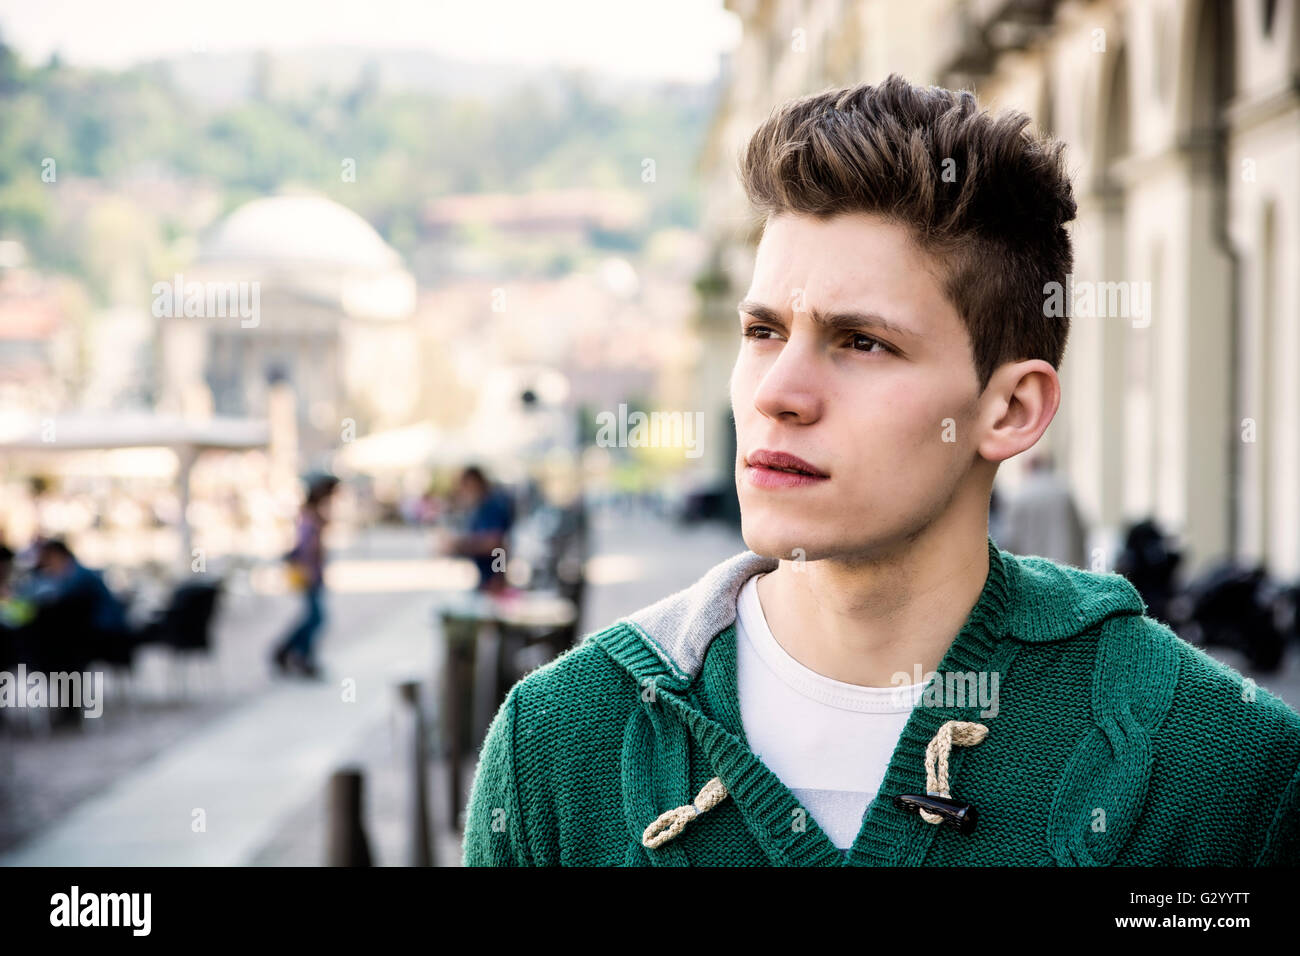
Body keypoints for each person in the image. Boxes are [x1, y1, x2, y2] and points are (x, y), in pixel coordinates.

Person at [462, 75, 1300, 866]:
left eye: (862, 342)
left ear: (1008, 411)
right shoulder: (556, 745)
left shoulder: (1228, 772)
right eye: (762, 332)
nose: (779, 394)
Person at [270, 475, 338, 679]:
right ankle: (294, 653)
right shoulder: (309, 518)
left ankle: (290, 652)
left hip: (314, 574)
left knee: (313, 617)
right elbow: (305, 548)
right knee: (316, 617)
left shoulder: (314, 516)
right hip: (309, 575)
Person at [997, 451, 1088, 568]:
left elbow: (1011, 538)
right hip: (1064, 565)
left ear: (1028, 467)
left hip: (1031, 570)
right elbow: (1081, 531)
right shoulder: (1064, 492)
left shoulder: (1020, 496)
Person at [447, 465, 514, 594]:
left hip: (493, 580)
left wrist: (498, 577)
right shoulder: (481, 507)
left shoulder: (492, 506)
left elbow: (497, 545)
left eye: (465, 485)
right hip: (486, 579)